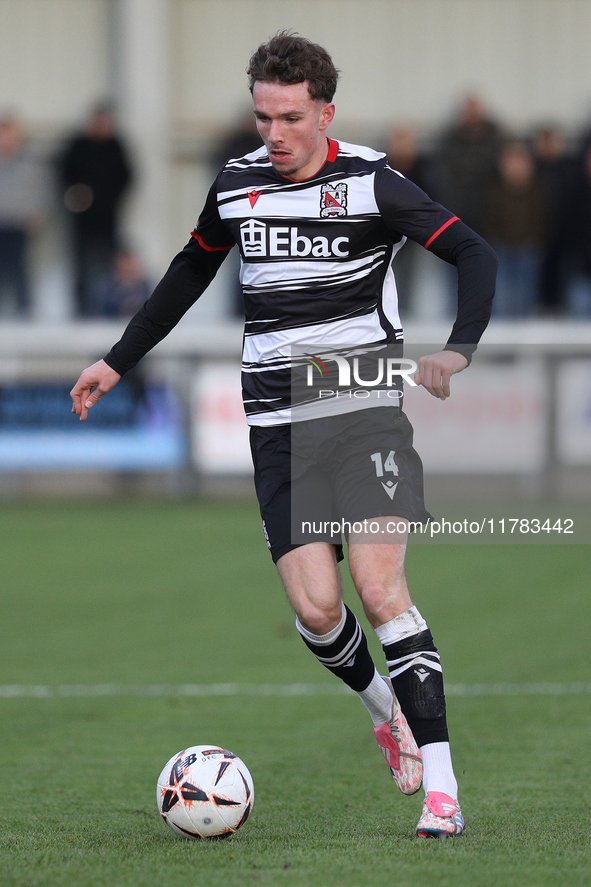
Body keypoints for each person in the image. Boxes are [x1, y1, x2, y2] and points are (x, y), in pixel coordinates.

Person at [70, 33, 497, 838]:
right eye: (262, 115)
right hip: (275, 419)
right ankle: (385, 710)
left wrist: (456, 347)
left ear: (324, 112)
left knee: (379, 590)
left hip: (363, 403)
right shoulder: (236, 185)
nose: (272, 132)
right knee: (317, 609)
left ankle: (442, 787)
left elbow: (473, 253)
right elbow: (190, 271)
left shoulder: (372, 182)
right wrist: (118, 360)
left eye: (290, 117)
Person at [59, 103, 133, 316]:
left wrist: (112, 199)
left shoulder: (115, 146)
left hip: (108, 218)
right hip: (82, 220)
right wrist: (76, 197)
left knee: (111, 265)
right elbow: (64, 174)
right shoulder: (78, 145)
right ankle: (81, 311)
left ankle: (108, 309)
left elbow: (128, 176)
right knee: (81, 267)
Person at [0, 114, 48, 317]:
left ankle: (24, 310)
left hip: (20, 223)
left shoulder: (30, 163)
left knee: (21, 268)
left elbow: (41, 190)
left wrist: (36, 214)